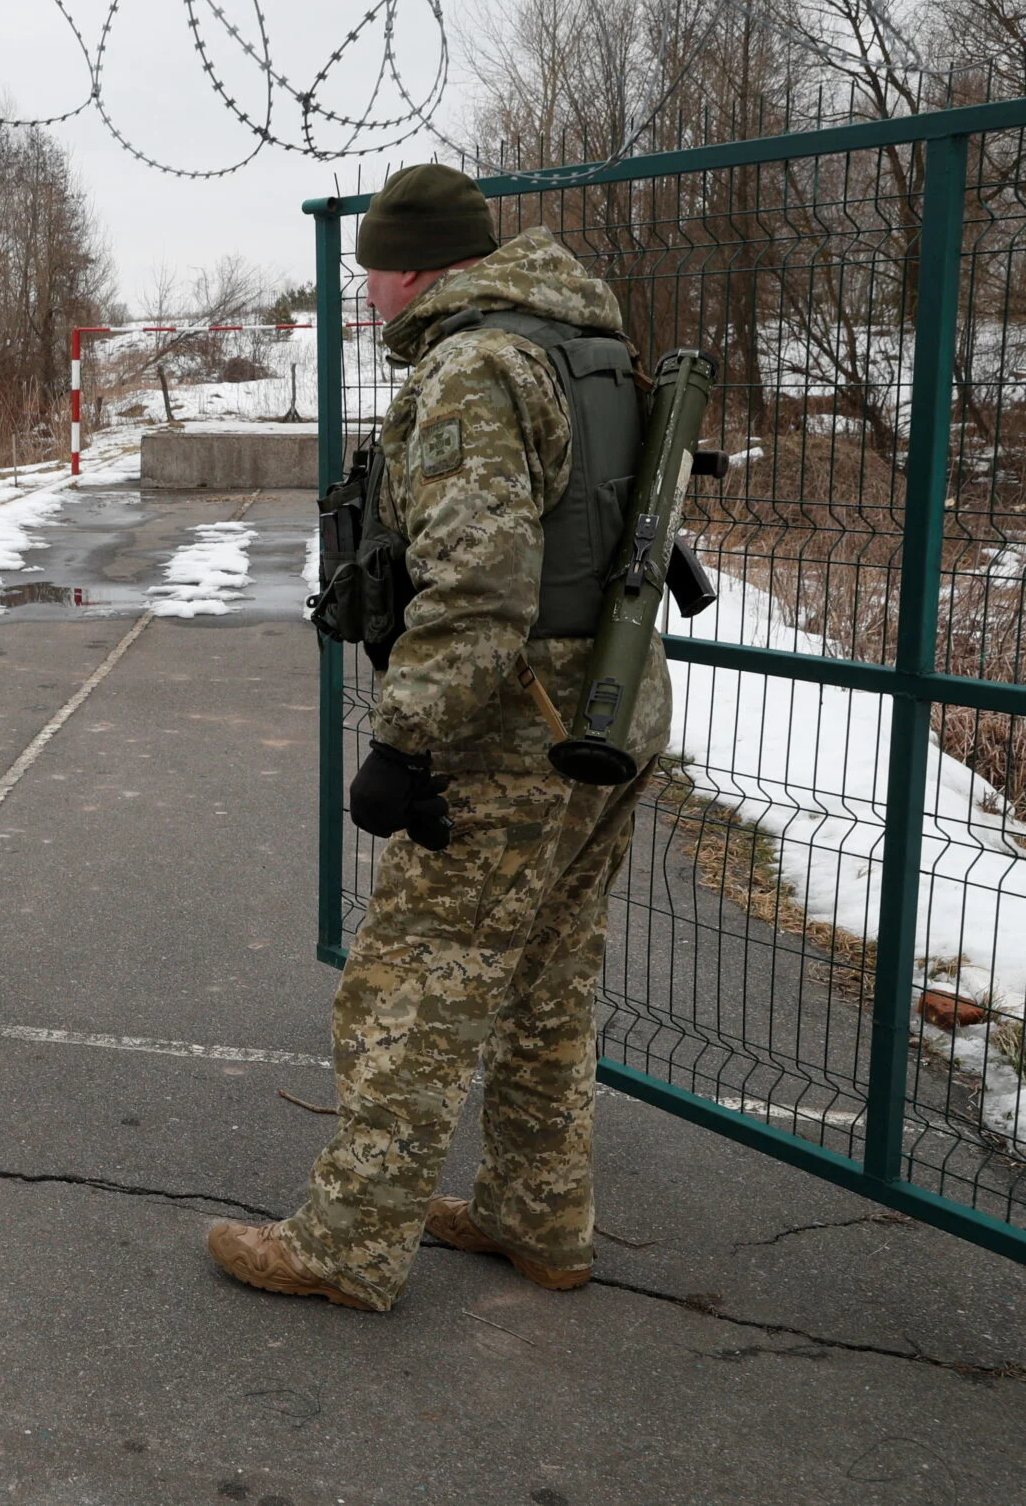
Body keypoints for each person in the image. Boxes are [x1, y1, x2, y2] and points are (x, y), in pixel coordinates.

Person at [208, 163, 671, 1312]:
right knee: (548, 979)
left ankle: (348, 1244)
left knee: (409, 984)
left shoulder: (475, 366)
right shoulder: (588, 347)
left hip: (512, 733)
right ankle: (539, 1217)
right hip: (612, 709)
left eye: (371, 269)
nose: (365, 291)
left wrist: (406, 740)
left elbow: (478, 582)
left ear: (412, 268)